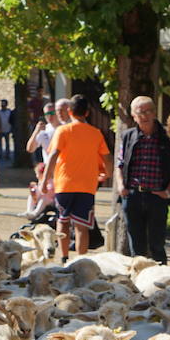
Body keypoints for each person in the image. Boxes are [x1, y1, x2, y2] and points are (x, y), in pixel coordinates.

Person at [40, 94, 110, 261]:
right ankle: (81, 259)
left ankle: (64, 258)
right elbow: (107, 158)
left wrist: (44, 180)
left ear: (69, 111)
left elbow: (53, 155)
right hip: (87, 185)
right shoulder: (96, 133)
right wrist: (106, 174)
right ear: (87, 113)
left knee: (63, 222)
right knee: (82, 225)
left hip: (65, 184)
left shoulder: (63, 131)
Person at [113, 96, 170, 264]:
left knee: (157, 245)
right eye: (140, 112)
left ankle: (162, 279)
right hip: (133, 195)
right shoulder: (127, 136)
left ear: (155, 112)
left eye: (149, 111)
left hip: (157, 196)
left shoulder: (167, 136)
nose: (145, 116)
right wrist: (121, 186)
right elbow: (119, 164)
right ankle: (139, 282)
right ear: (133, 115)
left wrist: (169, 190)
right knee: (137, 247)